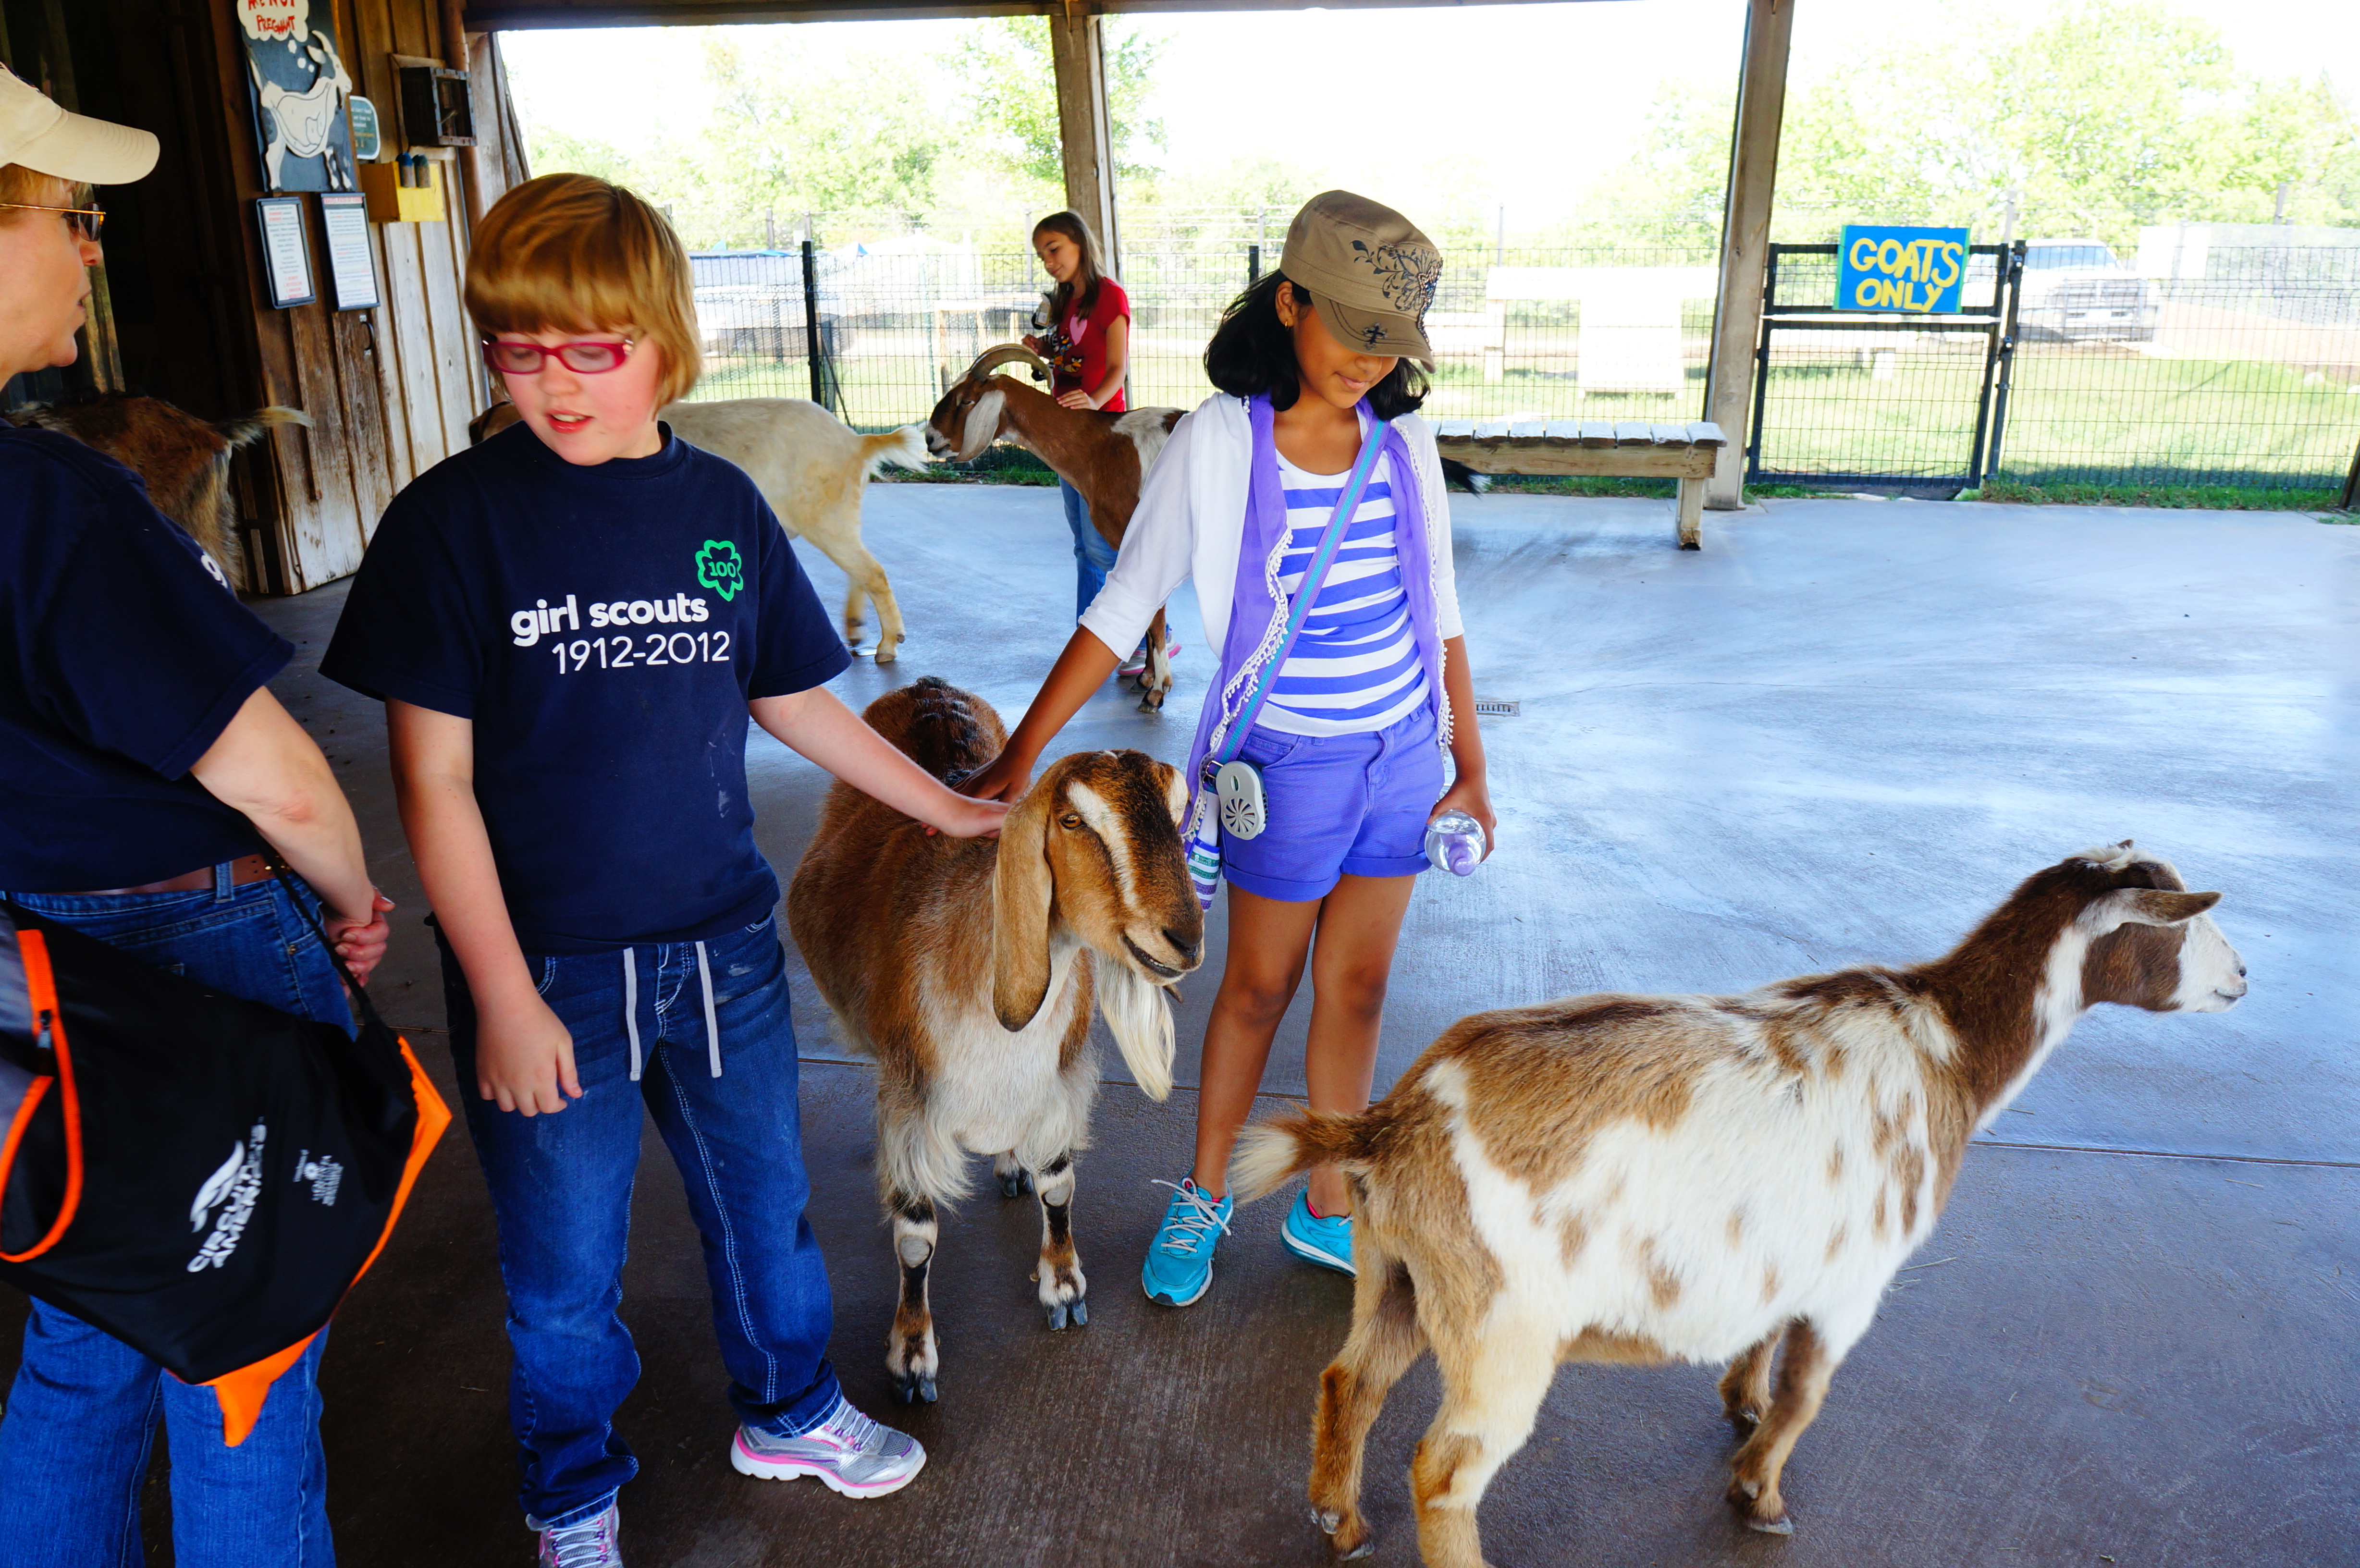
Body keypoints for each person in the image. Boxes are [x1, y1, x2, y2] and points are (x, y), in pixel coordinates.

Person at [319, 173, 1008, 1568]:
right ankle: (572, 1488)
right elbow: (431, 781)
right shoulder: (451, 524)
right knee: (562, 1266)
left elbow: (789, 693)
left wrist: (943, 806)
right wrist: (501, 993)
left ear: (668, 342)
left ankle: (789, 1406)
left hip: (721, 948)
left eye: (594, 348)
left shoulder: (720, 507)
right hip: (547, 966)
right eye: (519, 349)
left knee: (765, 1211)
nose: (555, 382)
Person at [965, 192, 1496, 1308]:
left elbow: (1439, 605)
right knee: (1257, 986)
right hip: (1287, 765)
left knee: (1358, 985)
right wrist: (1024, 748)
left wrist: (1469, 764)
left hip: (1402, 754)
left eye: (1389, 340)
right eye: (1351, 329)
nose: (1369, 361)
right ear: (1289, 302)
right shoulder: (1218, 441)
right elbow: (1125, 602)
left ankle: (1327, 1203)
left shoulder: (1402, 438)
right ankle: (1204, 1190)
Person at [0, 67, 393, 1568]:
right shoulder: (51, 498)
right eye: (68, 215)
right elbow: (277, 775)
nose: (91, 247)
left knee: (85, 1339)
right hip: (192, 943)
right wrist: (347, 895)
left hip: (26, 968)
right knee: (242, 1357)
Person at [1019, 211, 1166, 677]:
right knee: (1084, 547)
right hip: (1067, 437)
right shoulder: (1064, 302)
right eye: (1042, 254)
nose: (1049, 261)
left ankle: (1148, 637)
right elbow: (1071, 357)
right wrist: (1044, 351)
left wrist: (1095, 402)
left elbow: (1117, 367)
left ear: (1080, 243)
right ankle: (1090, 638)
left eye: (1054, 249)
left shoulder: (1110, 297)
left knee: (1105, 546)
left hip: (1105, 436)